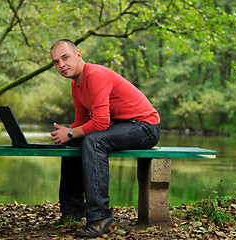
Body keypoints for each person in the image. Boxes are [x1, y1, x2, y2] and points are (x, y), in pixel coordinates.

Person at [50, 39, 160, 238]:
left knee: (94, 141)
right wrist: (65, 134)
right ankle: (72, 211)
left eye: (65, 58)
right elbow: (82, 121)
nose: (61, 65)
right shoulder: (76, 85)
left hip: (145, 127)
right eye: (56, 62)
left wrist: (69, 132)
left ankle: (99, 215)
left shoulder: (95, 75)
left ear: (78, 55)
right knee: (74, 141)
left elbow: (100, 123)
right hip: (123, 127)